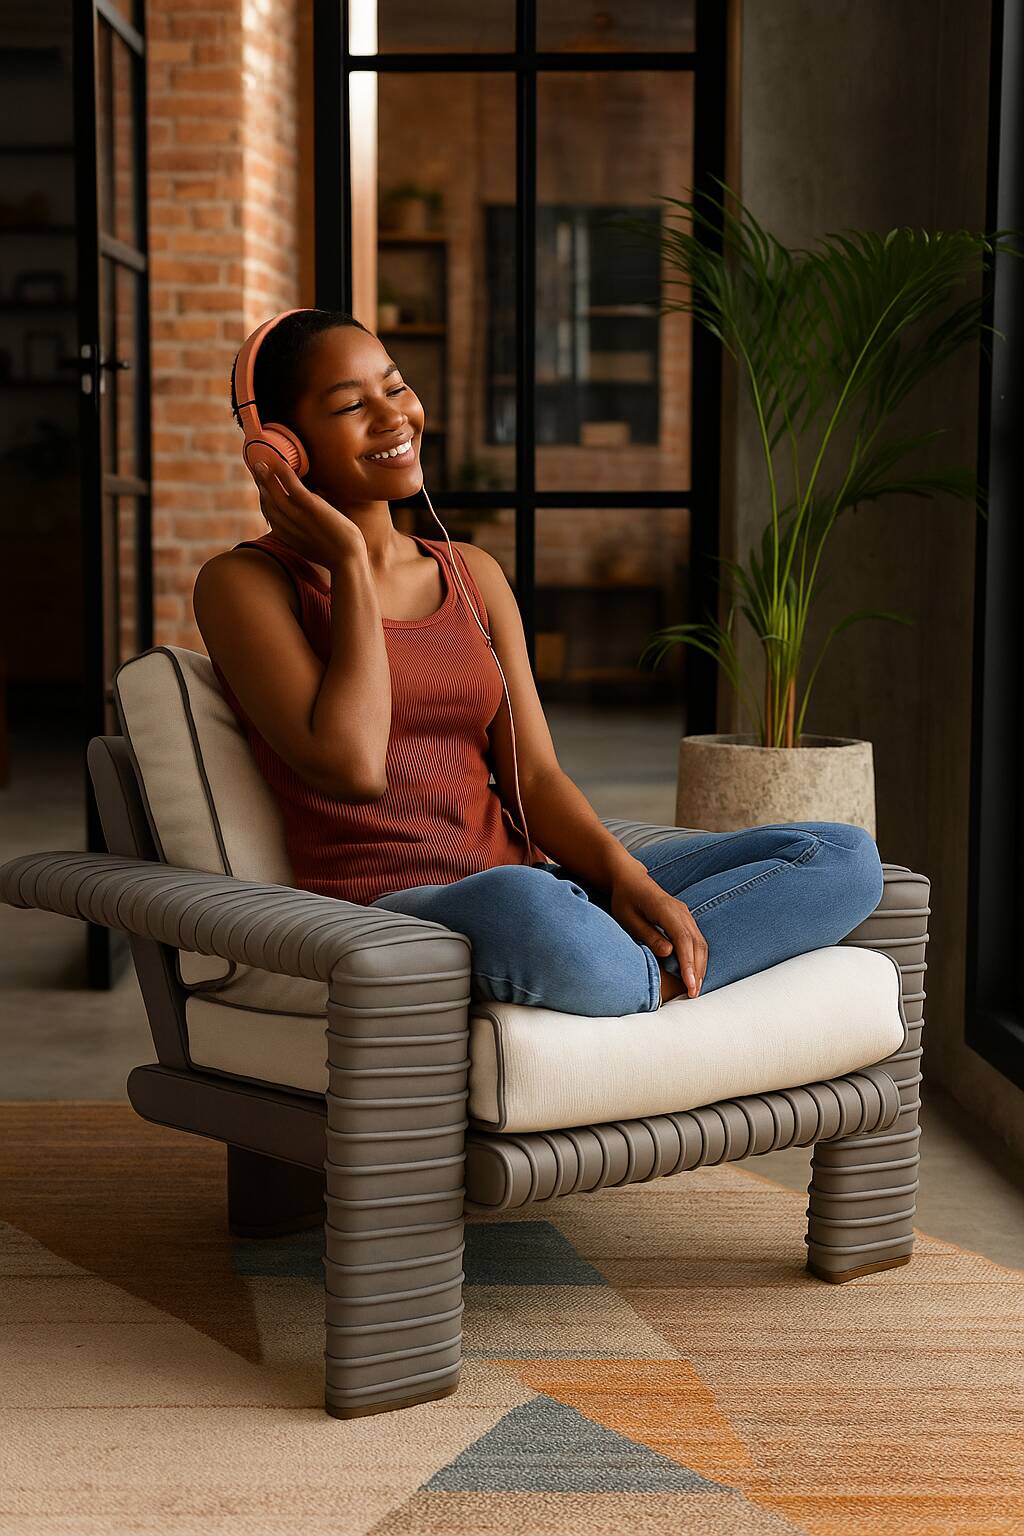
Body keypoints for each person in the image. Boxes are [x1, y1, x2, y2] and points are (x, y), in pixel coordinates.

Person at [193, 308, 885, 1019]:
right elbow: (353, 764)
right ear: (281, 449)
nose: (393, 417)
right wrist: (350, 564)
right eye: (349, 405)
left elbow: (535, 774)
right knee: (527, 901)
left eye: (396, 388)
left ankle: (626, 970)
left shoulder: (471, 572)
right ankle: (624, 968)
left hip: (532, 883)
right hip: (401, 913)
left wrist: (624, 879)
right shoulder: (245, 585)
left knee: (841, 858)